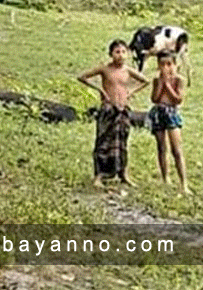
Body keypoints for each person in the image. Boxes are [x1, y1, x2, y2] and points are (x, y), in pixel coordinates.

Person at [77, 40, 149, 187]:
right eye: (117, 52)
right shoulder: (105, 69)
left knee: (121, 143)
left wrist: (131, 92)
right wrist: (100, 89)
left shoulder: (128, 70)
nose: (121, 55)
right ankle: (98, 175)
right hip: (108, 108)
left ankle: (123, 174)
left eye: (123, 52)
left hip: (123, 109)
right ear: (111, 54)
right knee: (103, 141)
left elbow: (145, 81)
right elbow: (82, 77)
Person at [149, 51, 190, 193]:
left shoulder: (179, 80)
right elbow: (154, 98)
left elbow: (178, 99)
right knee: (161, 147)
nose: (167, 68)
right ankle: (165, 177)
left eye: (169, 64)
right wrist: (161, 84)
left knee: (177, 150)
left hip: (172, 112)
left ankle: (183, 183)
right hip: (159, 112)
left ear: (175, 65)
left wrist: (167, 85)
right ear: (158, 66)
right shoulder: (156, 80)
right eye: (162, 65)